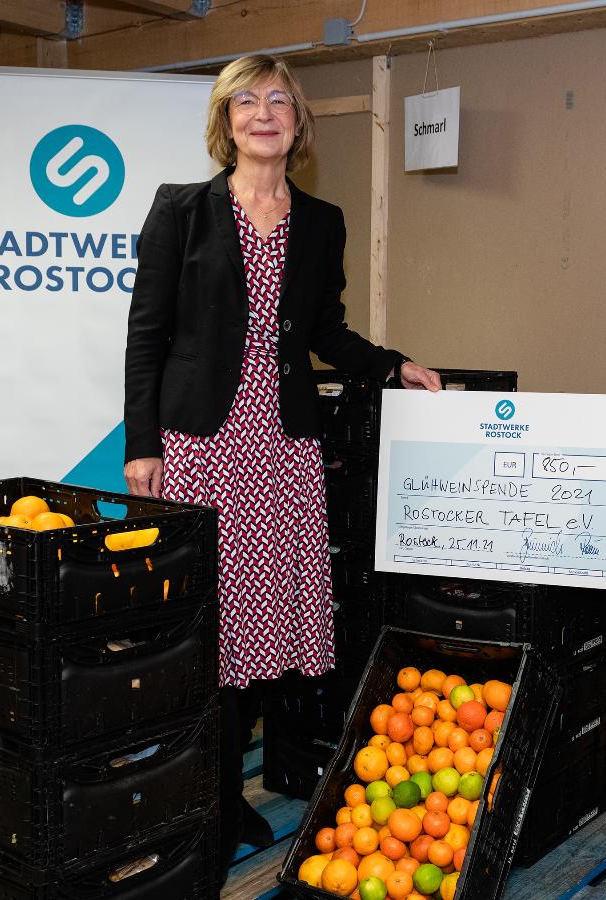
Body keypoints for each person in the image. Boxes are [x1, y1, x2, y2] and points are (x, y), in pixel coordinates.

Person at [122, 54, 441, 879]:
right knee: (205, 639)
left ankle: (225, 805)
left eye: (279, 101)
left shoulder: (323, 221)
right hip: (200, 447)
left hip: (284, 450)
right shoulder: (181, 212)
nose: (264, 113)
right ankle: (210, 811)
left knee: (261, 638)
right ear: (225, 121)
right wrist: (141, 445)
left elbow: (323, 332)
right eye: (246, 101)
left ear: (298, 122)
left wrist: (391, 364)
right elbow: (147, 334)